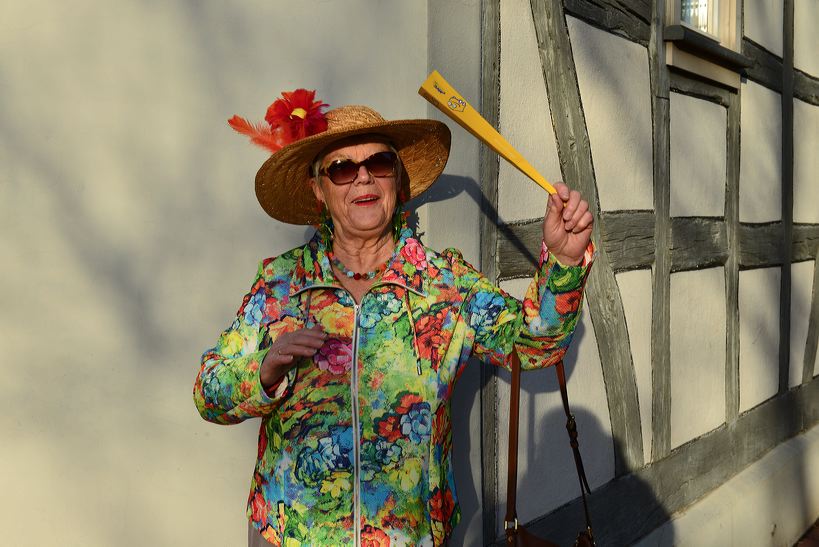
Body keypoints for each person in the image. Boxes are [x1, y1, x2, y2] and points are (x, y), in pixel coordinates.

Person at [194, 89, 594, 546]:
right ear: (319, 190)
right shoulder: (281, 285)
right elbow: (209, 394)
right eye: (342, 168)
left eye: (379, 164)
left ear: (396, 182)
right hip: (290, 536)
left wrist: (563, 262)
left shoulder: (445, 284)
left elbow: (534, 345)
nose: (362, 178)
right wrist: (264, 371)